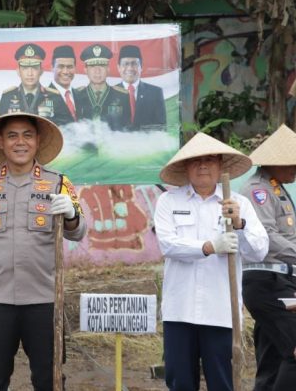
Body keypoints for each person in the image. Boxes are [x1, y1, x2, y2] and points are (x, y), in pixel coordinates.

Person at [0, 112, 87, 391]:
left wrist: (72, 213)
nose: (20, 142)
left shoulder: (58, 183)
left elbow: (78, 231)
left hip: (45, 300)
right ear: (1, 142)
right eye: (12, 135)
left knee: (50, 379)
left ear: (38, 141)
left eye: (27, 134)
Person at [154, 132, 268, 391]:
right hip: (179, 310)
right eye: (196, 160)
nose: (203, 165)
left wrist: (239, 225)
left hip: (221, 310)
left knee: (222, 381)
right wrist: (208, 247)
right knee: (180, 381)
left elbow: (259, 250)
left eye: (210, 159)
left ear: (220, 165)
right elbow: (168, 245)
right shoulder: (169, 201)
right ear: (185, 167)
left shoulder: (238, 203)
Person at [240, 124, 296, 390]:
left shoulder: (278, 187)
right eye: (292, 162)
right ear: (275, 162)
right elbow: (268, 237)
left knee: (272, 358)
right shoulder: (257, 190)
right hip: (269, 280)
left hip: (281, 279)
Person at [73, 44, 131, 131]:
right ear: (85, 70)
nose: (97, 71)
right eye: (92, 66)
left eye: (102, 66)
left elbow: (126, 128)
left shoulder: (122, 95)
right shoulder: (76, 95)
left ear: (108, 69)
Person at [115, 44, 166, 131]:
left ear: (141, 67)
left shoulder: (155, 93)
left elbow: (160, 128)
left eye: (134, 63)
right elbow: (107, 128)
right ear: (118, 67)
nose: (130, 68)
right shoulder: (110, 93)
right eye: (125, 64)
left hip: (148, 143)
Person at [0, 43, 52, 115]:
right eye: (25, 68)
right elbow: (1, 125)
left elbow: (64, 125)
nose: (30, 73)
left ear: (41, 71)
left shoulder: (53, 96)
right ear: (18, 71)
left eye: (35, 68)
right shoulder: (7, 96)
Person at [32, 45, 79, 126]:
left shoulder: (80, 95)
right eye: (60, 66)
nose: (65, 71)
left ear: (75, 68)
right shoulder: (41, 97)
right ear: (52, 68)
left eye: (70, 67)